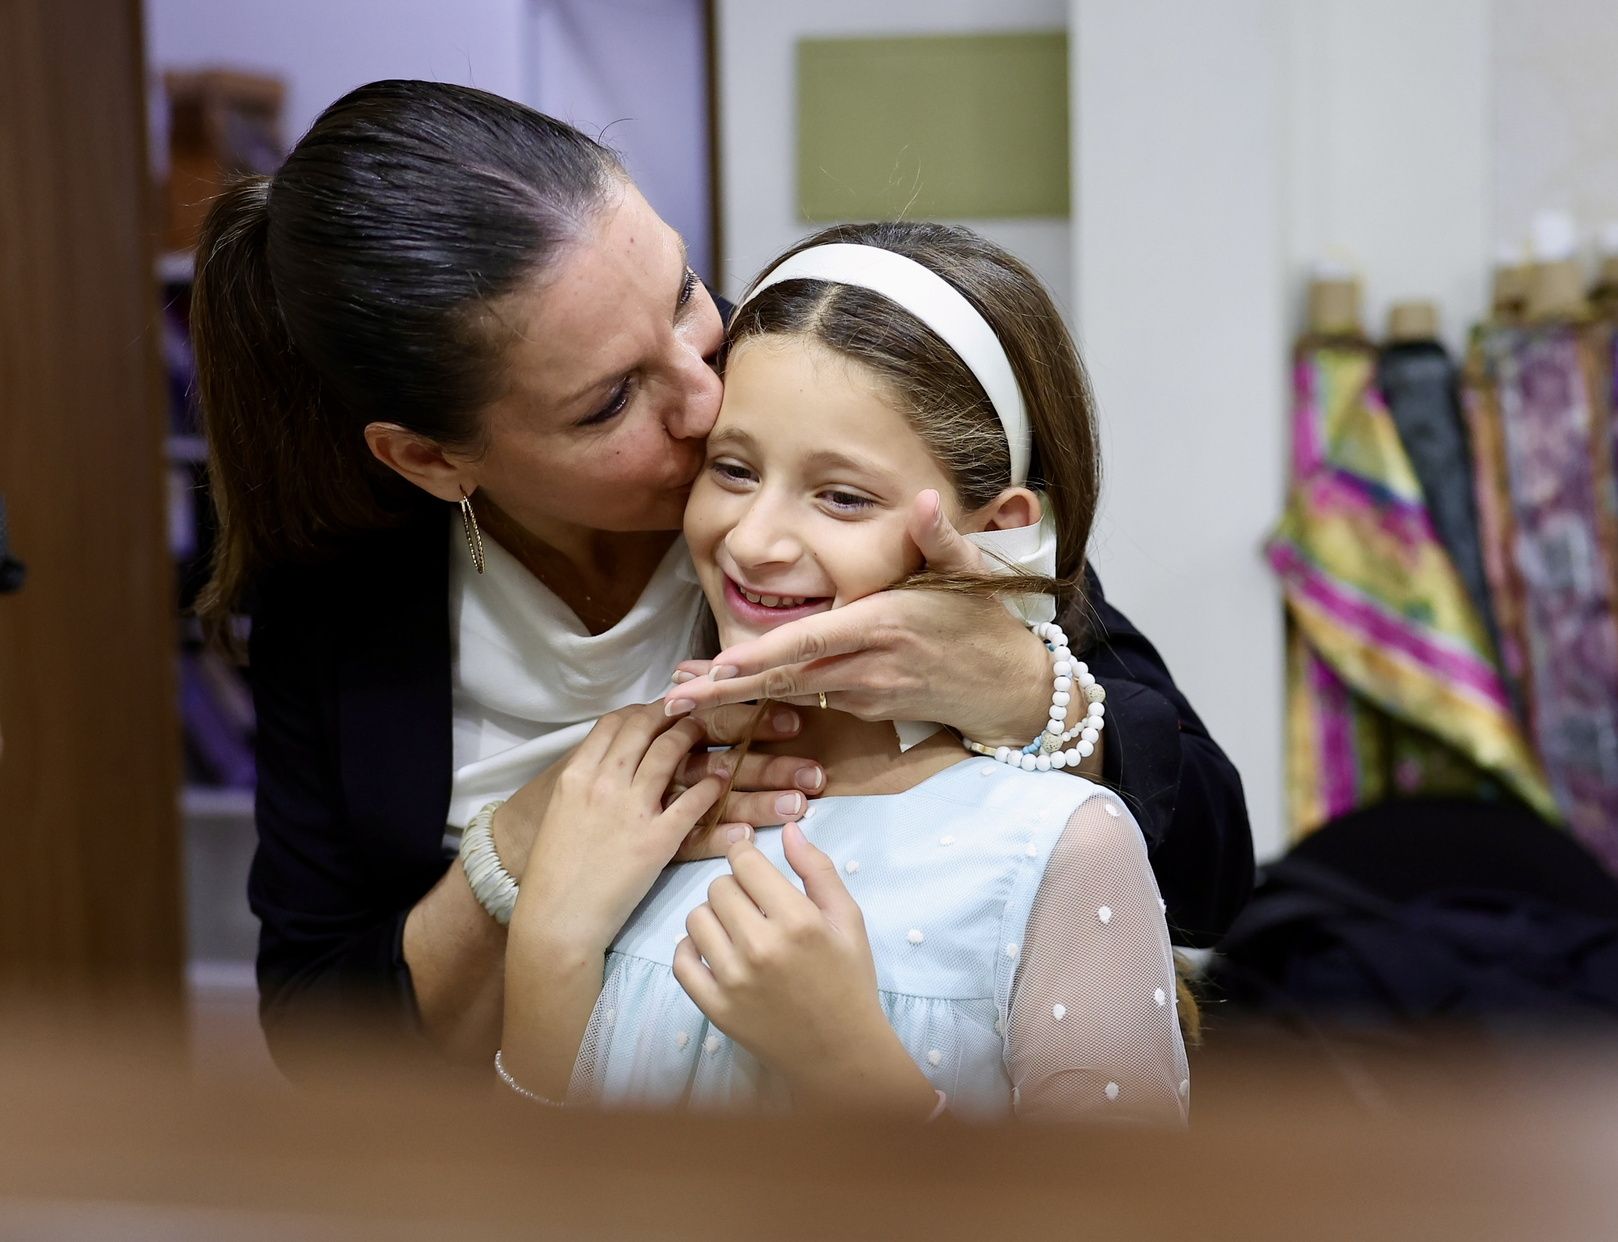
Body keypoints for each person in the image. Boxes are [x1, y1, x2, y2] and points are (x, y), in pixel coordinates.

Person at [188, 80, 1250, 1074]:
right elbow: (326, 1046)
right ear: (431, 459)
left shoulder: (817, 418)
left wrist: (1022, 689)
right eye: (610, 402)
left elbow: (1209, 873)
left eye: (685, 292)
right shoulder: (337, 604)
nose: (706, 399)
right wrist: (526, 852)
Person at [499, 222, 1191, 1123]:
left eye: (842, 496)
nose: (751, 540)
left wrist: (853, 1071)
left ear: (996, 529)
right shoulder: (635, 816)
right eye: (733, 469)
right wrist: (549, 943)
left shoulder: (1064, 845)